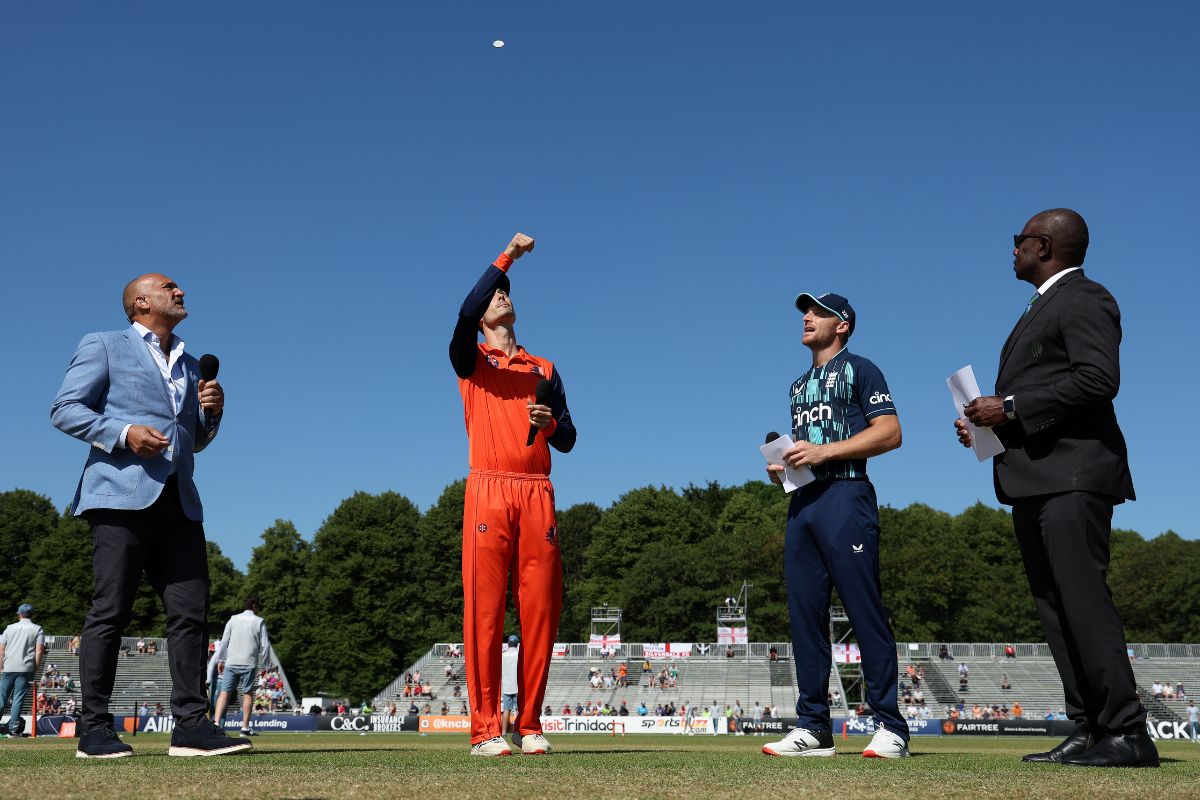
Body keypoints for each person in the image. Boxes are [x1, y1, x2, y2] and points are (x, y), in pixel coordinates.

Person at [958, 209, 1157, 769]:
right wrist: (990, 422)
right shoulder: (1044, 304)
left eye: (1018, 241)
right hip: (1034, 478)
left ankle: (1127, 730)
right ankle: (1088, 726)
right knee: (1054, 608)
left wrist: (1011, 407)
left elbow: (1099, 378)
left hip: (1073, 475)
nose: (1012, 250)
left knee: (1083, 603)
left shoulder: (1085, 298)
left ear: (1043, 245)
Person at [51, 273, 248, 759]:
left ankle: (191, 726)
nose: (181, 291)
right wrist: (123, 432)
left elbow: (192, 441)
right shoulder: (103, 344)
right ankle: (94, 729)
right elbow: (64, 409)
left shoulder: (189, 361)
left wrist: (212, 415)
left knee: (190, 613)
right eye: (169, 287)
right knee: (110, 610)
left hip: (179, 500)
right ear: (141, 302)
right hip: (118, 497)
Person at [761, 292, 907, 760]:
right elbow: (809, 447)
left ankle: (891, 727)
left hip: (847, 495)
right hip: (803, 502)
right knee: (804, 616)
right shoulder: (798, 385)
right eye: (805, 311)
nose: (807, 317)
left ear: (841, 325)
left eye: (818, 312)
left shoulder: (862, 369)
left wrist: (824, 452)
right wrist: (785, 465)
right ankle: (813, 726)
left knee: (864, 610)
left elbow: (890, 432)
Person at [450, 233, 577, 757]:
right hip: (487, 489)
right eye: (494, 294)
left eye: (506, 291)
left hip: (537, 492)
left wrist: (548, 426)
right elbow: (461, 310)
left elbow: (569, 439)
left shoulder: (544, 368)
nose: (501, 295)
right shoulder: (471, 360)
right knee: (484, 612)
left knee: (540, 611)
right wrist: (507, 257)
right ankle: (484, 730)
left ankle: (529, 724)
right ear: (482, 317)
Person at [213, 595, 270, 738]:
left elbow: (224, 640)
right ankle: (244, 728)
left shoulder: (233, 619)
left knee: (224, 693)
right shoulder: (259, 621)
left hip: (231, 661)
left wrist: (220, 660)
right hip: (249, 662)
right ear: (255, 606)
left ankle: (215, 724)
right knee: (248, 694)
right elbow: (265, 645)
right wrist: (266, 665)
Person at [0, 604, 45, 737]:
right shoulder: (37, 629)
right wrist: (36, 667)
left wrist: (1, 666)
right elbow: (39, 650)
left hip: (8, 666)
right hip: (25, 668)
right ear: (32, 614)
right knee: (18, 698)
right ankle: (13, 730)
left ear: (19, 614)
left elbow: (1, 649)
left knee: (2, 697)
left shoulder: (9, 628)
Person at [500, 635, 520, 736]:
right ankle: (519, 730)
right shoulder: (519, 654)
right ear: (517, 644)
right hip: (518, 686)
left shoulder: (503, 655)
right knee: (518, 710)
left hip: (507, 686)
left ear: (508, 644)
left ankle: (504, 732)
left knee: (506, 710)